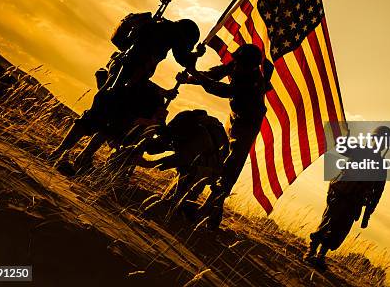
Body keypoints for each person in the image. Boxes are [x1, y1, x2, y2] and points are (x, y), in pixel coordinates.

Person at [49, 15, 203, 171]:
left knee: (109, 119)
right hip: (127, 76)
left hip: (124, 72)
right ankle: (62, 153)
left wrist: (163, 92)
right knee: (98, 116)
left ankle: (80, 156)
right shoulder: (170, 33)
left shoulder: (157, 26)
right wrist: (197, 55)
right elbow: (183, 58)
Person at [177, 44, 273, 228]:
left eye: (240, 62)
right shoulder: (238, 65)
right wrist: (190, 78)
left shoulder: (252, 80)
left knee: (230, 167)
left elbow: (221, 89)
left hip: (248, 124)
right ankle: (215, 213)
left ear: (249, 65)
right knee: (222, 159)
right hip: (236, 117)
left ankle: (205, 211)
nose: (236, 65)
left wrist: (194, 73)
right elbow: (215, 74)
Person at [306, 126, 390, 270]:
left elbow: (377, 193)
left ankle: (321, 256)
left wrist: (368, 214)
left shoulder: (381, 167)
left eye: (383, 141)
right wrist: (345, 136)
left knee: (339, 230)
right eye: (378, 139)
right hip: (340, 193)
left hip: (355, 202)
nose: (379, 143)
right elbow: (341, 148)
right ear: (373, 139)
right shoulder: (359, 150)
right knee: (328, 223)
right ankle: (311, 251)